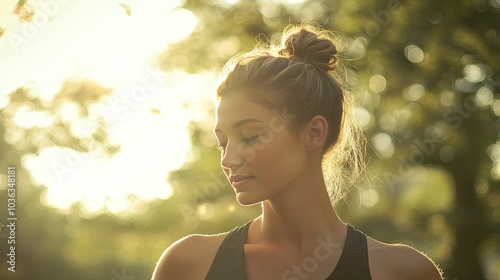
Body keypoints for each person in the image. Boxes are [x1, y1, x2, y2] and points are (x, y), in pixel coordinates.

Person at [152, 24, 443, 280]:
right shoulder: (188, 266)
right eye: (223, 142)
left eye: (250, 136)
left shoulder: (402, 272)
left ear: (314, 133)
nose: (228, 160)